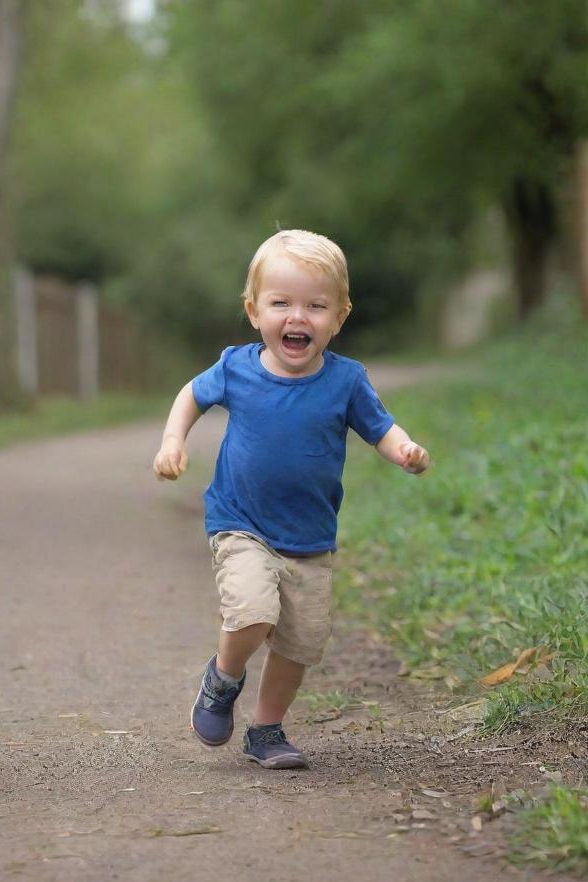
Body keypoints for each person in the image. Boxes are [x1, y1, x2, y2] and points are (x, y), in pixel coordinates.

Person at [153, 228, 430, 769]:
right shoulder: (237, 368)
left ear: (340, 317)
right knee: (253, 610)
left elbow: (381, 427)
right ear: (254, 311)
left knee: (300, 644)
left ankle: (266, 730)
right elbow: (192, 394)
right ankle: (224, 679)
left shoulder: (346, 382)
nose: (297, 317)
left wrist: (405, 451)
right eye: (281, 303)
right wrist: (172, 440)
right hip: (241, 523)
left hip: (309, 536)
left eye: (315, 306)